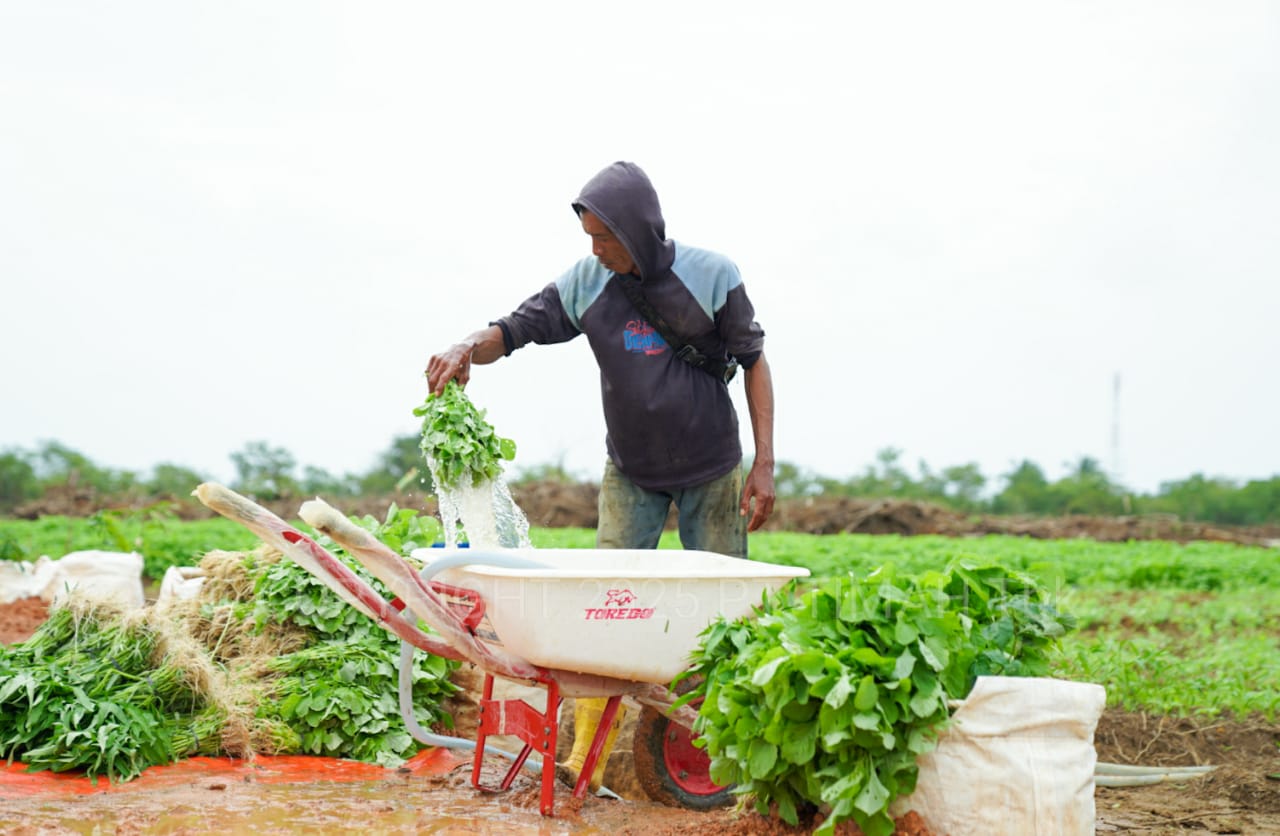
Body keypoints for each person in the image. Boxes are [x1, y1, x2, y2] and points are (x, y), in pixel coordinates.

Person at [425, 160, 775, 793]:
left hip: (713, 467)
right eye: (589, 237)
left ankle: (731, 749)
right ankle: (584, 756)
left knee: (725, 611)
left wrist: (765, 463)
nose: (595, 250)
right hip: (631, 472)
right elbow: (514, 329)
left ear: (638, 230)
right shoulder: (587, 282)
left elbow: (754, 362)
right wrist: (463, 346)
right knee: (602, 608)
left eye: (604, 238)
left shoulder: (713, 275)